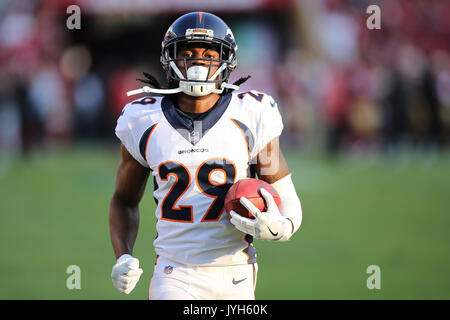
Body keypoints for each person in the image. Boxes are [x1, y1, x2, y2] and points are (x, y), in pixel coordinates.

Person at [109, 11, 303, 300]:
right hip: (174, 272)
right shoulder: (143, 119)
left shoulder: (251, 114)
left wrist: (282, 226)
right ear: (169, 59)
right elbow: (124, 200)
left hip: (235, 270)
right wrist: (123, 255)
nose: (198, 62)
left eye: (209, 54)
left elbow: (284, 193)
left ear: (227, 60)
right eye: (187, 53)